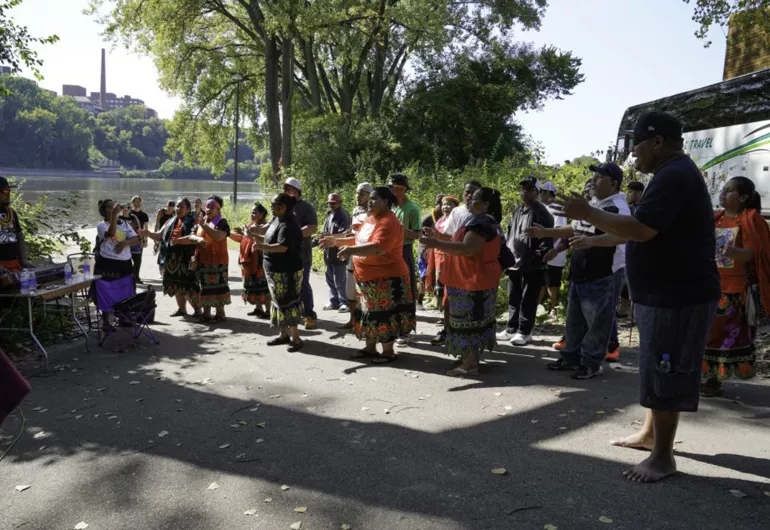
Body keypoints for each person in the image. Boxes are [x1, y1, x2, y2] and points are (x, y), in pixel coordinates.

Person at [557, 111, 720, 483]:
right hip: (663, 293)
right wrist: (594, 227)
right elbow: (632, 231)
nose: (633, 154)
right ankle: (650, 436)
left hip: (677, 294)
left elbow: (642, 230)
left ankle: (663, 457)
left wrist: (587, 212)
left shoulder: (675, 175)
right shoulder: (670, 174)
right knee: (656, 365)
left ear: (658, 141)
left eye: (638, 144)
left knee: (665, 367)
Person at [530, 163, 630, 379]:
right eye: (594, 175)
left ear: (614, 182)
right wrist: (548, 235)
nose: (594, 180)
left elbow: (623, 235)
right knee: (575, 319)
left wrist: (592, 241)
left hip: (603, 273)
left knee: (597, 322)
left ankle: (591, 362)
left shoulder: (618, 207)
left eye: (600, 177)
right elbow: (575, 230)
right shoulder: (593, 204)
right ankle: (571, 357)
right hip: (581, 271)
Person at [319, 187, 416, 363]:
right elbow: (358, 239)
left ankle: (388, 352)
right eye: (369, 199)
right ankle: (370, 348)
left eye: (374, 199)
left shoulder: (388, 221)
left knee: (384, 315)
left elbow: (379, 247)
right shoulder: (371, 219)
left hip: (386, 278)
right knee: (369, 314)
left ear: (385, 202)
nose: (369, 202)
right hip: (366, 278)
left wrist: (350, 250)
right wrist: (336, 241)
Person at [421, 187, 504, 376]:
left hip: (471, 280)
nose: (469, 201)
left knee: (467, 322)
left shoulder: (482, 222)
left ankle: (470, 365)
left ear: (486, 204)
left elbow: (468, 248)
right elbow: (462, 240)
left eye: (475, 199)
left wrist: (437, 244)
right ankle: (470, 359)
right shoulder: (480, 221)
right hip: (473, 279)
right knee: (474, 320)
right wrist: (439, 236)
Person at [701, 176, 770, 397]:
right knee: (707, 334)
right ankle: (708, 376)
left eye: (729, 190)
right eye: (723, 189)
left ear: (743, 197)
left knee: (722, 337)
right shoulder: (716, 219)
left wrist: (731, 252)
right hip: (711, 286)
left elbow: (753, 253)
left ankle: (714, 380)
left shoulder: (750, 220)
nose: (723, 192)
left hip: (736, 291)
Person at [423, 180, 483, 345]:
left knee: (471, 303)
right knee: (448, 300)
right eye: (467, 192)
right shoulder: (458, 212)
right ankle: (448, 332)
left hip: (474, 265)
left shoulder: (484, 214)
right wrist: (436, 235)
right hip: (453, 262)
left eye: (474, 192)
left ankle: (470, 341)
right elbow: (449, 236)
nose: (469, 195)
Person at [497, 176, 553, 346]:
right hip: (514, 262)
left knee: (528, 298)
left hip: (532, 264)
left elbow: (547, 239)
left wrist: (537, 256)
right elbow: (510, 233)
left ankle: (525, 331)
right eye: (523, 189)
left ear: (537, 192)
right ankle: (511, 328)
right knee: (514, 296)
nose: (525, 192)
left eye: (529, 189)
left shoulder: (542, 212)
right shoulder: (517, 210)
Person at [250, 193, 305, 351]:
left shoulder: (289, 224)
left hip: (287, 271)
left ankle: (296, 338)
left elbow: (282, 247)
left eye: (274, 205)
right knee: (278, 303)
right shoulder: (277, 219)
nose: (271, 208)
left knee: (289, 302)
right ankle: (283, 335)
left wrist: (261, 247)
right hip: (273, 270)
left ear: (283, 207)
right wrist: (253, 236)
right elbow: (268, 238)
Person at [140, 198, 201, 317]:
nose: (178, 209)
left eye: (181, 206)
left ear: (188, 209)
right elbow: (160, 236)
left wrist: (179, 242)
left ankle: (198, 309)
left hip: (186, 258)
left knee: (188, 285)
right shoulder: (170, 221)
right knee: (175, 285)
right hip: (171, 259)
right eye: (177, 206)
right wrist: (148, 234)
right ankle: (182, 309)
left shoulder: (194, 221)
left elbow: (195, 239)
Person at [94, 199, 140, 328]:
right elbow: (111, 233)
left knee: (126, 291)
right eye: (110, 208)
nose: (113, 209)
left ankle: (123, 318)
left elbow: (136, 239)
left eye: (114, 207)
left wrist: (125, 243)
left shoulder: (125, 224)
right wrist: (114, 215)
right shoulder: (101, 225)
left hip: (124, 264)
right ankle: (106, 322)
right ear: (104, 212)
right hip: (108, 264)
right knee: (107, 291)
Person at [388, 173, 422, 346]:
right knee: (392, 290)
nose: (392, 190)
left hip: (405, 250)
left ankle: (406, 331)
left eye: (395, 187)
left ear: (403, 189)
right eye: (391, 187)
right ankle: (394, 327)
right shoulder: (391, 207)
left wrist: (401, 229)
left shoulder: (412, 209)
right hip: (390, 251)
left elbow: (417, 234)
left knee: (406, 290)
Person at [283, 177, 318, 329]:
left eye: (288, 189)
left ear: (296, 190)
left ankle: (309, 314)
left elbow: (312, 227)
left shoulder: (306, 207)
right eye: (284, 189)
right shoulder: (283, 207)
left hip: (302, 254)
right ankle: (294, 314)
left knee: (302, 284)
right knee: (289, 285)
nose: (285, 192)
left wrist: (293, 234)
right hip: (285, 254)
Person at [424, 195, 460, 344]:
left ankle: (450, 329)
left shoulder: (457, 221)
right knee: (442, 291)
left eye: (449, 204)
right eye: (443, 204)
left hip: (451, 260)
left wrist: (437, 238)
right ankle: (447, 325)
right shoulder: (439, 220)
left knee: (450, 294)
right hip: (439, 259)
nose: (445, 207)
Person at [193, 196, 231, 322]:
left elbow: (218, 236)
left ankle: (220, 314)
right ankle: (206, 314)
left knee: (218, 287)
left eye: (212, 207)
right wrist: (198, 238)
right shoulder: (203, 221)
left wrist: (204, 226)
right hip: (203, 260)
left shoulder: (222, 222)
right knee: (205, 288)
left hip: (219, 261)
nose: (208, 209)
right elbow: (191, 236)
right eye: (207, 206)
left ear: (218, 209)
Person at [340, 182, 372, 329]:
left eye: (362, 193)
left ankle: (367, 321)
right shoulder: (355, 210)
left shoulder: (373, 211)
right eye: (357, 193)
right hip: (353, 252)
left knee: (366, 289)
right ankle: (353, 319)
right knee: (350, 287)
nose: (358, 196)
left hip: (367, 255)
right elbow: (353, 232)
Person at [230, 203, 271, 319]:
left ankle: (268, 310)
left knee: (263, 285)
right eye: (251, 212)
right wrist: (229, 233)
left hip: (260, 260)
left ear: (262, 214)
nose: (252, 214)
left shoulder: (266, 226)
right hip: (248, 261)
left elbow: (260, 234)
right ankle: (259, 308)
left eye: (254, 212)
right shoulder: (249, 226)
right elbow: (242, 239)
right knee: (253, 284)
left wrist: (247, 231)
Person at [538, 182, 567, 316]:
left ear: (550, 193)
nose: (540, 194)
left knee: (552, 281)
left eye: (543, 192)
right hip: (544, 250)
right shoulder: (544, 208)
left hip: (555, 250)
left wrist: (552, 248)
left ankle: (553, 308)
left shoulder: (556, 208)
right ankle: (538, 307)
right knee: (542, 280)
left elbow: (559, 230)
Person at [320, 193, 351, 312]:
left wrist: (329, 236)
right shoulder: (329, 215)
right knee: (330, 279)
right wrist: (322, 239)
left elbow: (345, 234)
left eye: (334, 203)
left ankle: (344, 302)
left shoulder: (343, 216)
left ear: (339, 203)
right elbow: (324, 232)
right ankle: (334, 302)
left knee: (340, 280)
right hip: (328, 252)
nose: (332, 205)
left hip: (339, 252)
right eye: (330, 203)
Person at [0, 177, 32, 275]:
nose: (9, 194)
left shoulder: (11, 213)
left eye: (9, 191)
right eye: (5, 191)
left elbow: (19, 236)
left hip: (14, 265)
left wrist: (23, 260)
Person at [417, 194, 444, 309]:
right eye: (440, 204)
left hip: (438, 249)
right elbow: (419, 233)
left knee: (437, 277)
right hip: (425, 249)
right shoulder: (428, 218)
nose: (442, 206)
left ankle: (439, 302)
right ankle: (419, 300)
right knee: (424, 275)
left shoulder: (447, 217)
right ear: (436, 205)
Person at [130, 196, 149, 283]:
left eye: (139, 201)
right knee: (127, 260)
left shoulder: (144, 215)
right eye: (136, 201)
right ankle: (129, 277)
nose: (138, 203)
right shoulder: (129, 213)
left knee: (138, 260)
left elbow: (146, 229)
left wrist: (145, 240)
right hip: (129, 239)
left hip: (139, 239)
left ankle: (136, 277)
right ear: (133, 202)